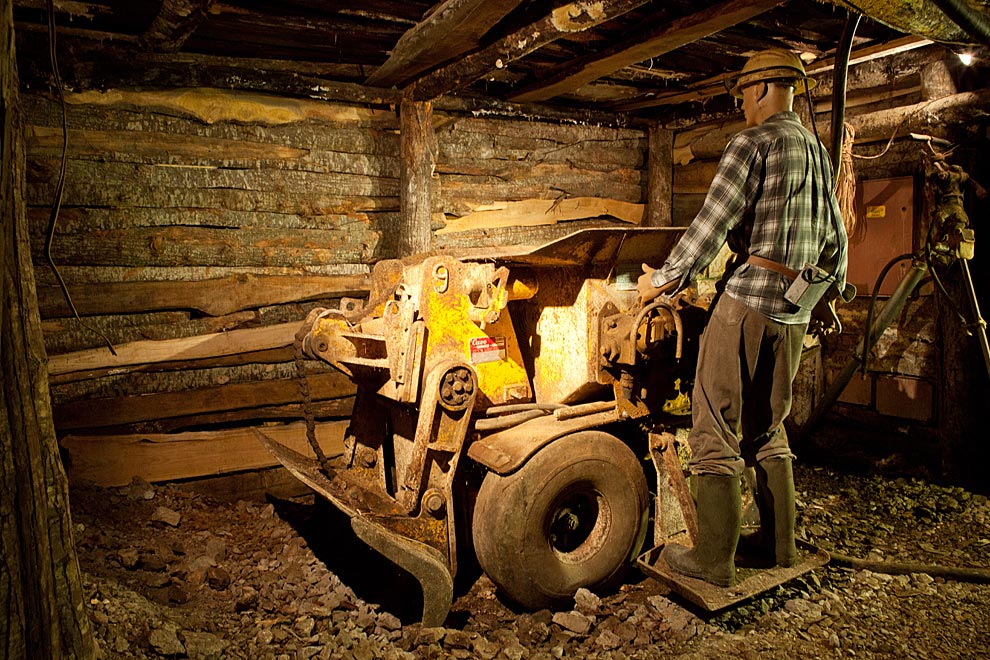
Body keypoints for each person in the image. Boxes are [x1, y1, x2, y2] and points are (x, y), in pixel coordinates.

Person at [637, 49, 849, 587]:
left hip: (748, 301)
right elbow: (837, 239)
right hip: (794, 311)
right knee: (769, 427)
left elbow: (713, 222)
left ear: (759, 90)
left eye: (741, 99)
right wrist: (821, 296)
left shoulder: (754, 142)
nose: (742, 110)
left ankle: (713, 560)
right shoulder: (818, 154)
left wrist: (661, 281)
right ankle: (779, 548)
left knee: (714, 427)